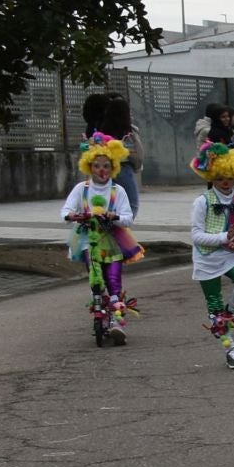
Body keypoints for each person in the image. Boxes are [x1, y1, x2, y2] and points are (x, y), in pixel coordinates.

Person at [61, 132, 144, 344]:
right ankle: (101, 310)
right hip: (88, 240)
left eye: (106, 166)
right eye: (97, 166)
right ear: (89, 167)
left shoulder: (118, 190)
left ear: (113, 167)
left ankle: (117, 320)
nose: (101, 170)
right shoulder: (82, 189)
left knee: (114, 279)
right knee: (95, 278)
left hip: (113, 240)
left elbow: (127, 218)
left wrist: (114, 216)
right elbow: (66, 210)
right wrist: (72, 215)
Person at [189, 142, 234, 369]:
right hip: (206, 259)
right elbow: (196, 235)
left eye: (230, 177)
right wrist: (224, 237)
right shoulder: (202, 201)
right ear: (211, 177)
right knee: (215, 308)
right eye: (220, 177)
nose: (225, 182)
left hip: (230, 256)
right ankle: (231, 349)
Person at [97, 96, 143, 212]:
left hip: (104, 169)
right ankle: (118, 223)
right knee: (132, 204)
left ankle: (110, 222)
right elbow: (136, 154)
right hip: (123, 169)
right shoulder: (128, 132)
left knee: (109, 204)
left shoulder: (102, 131)